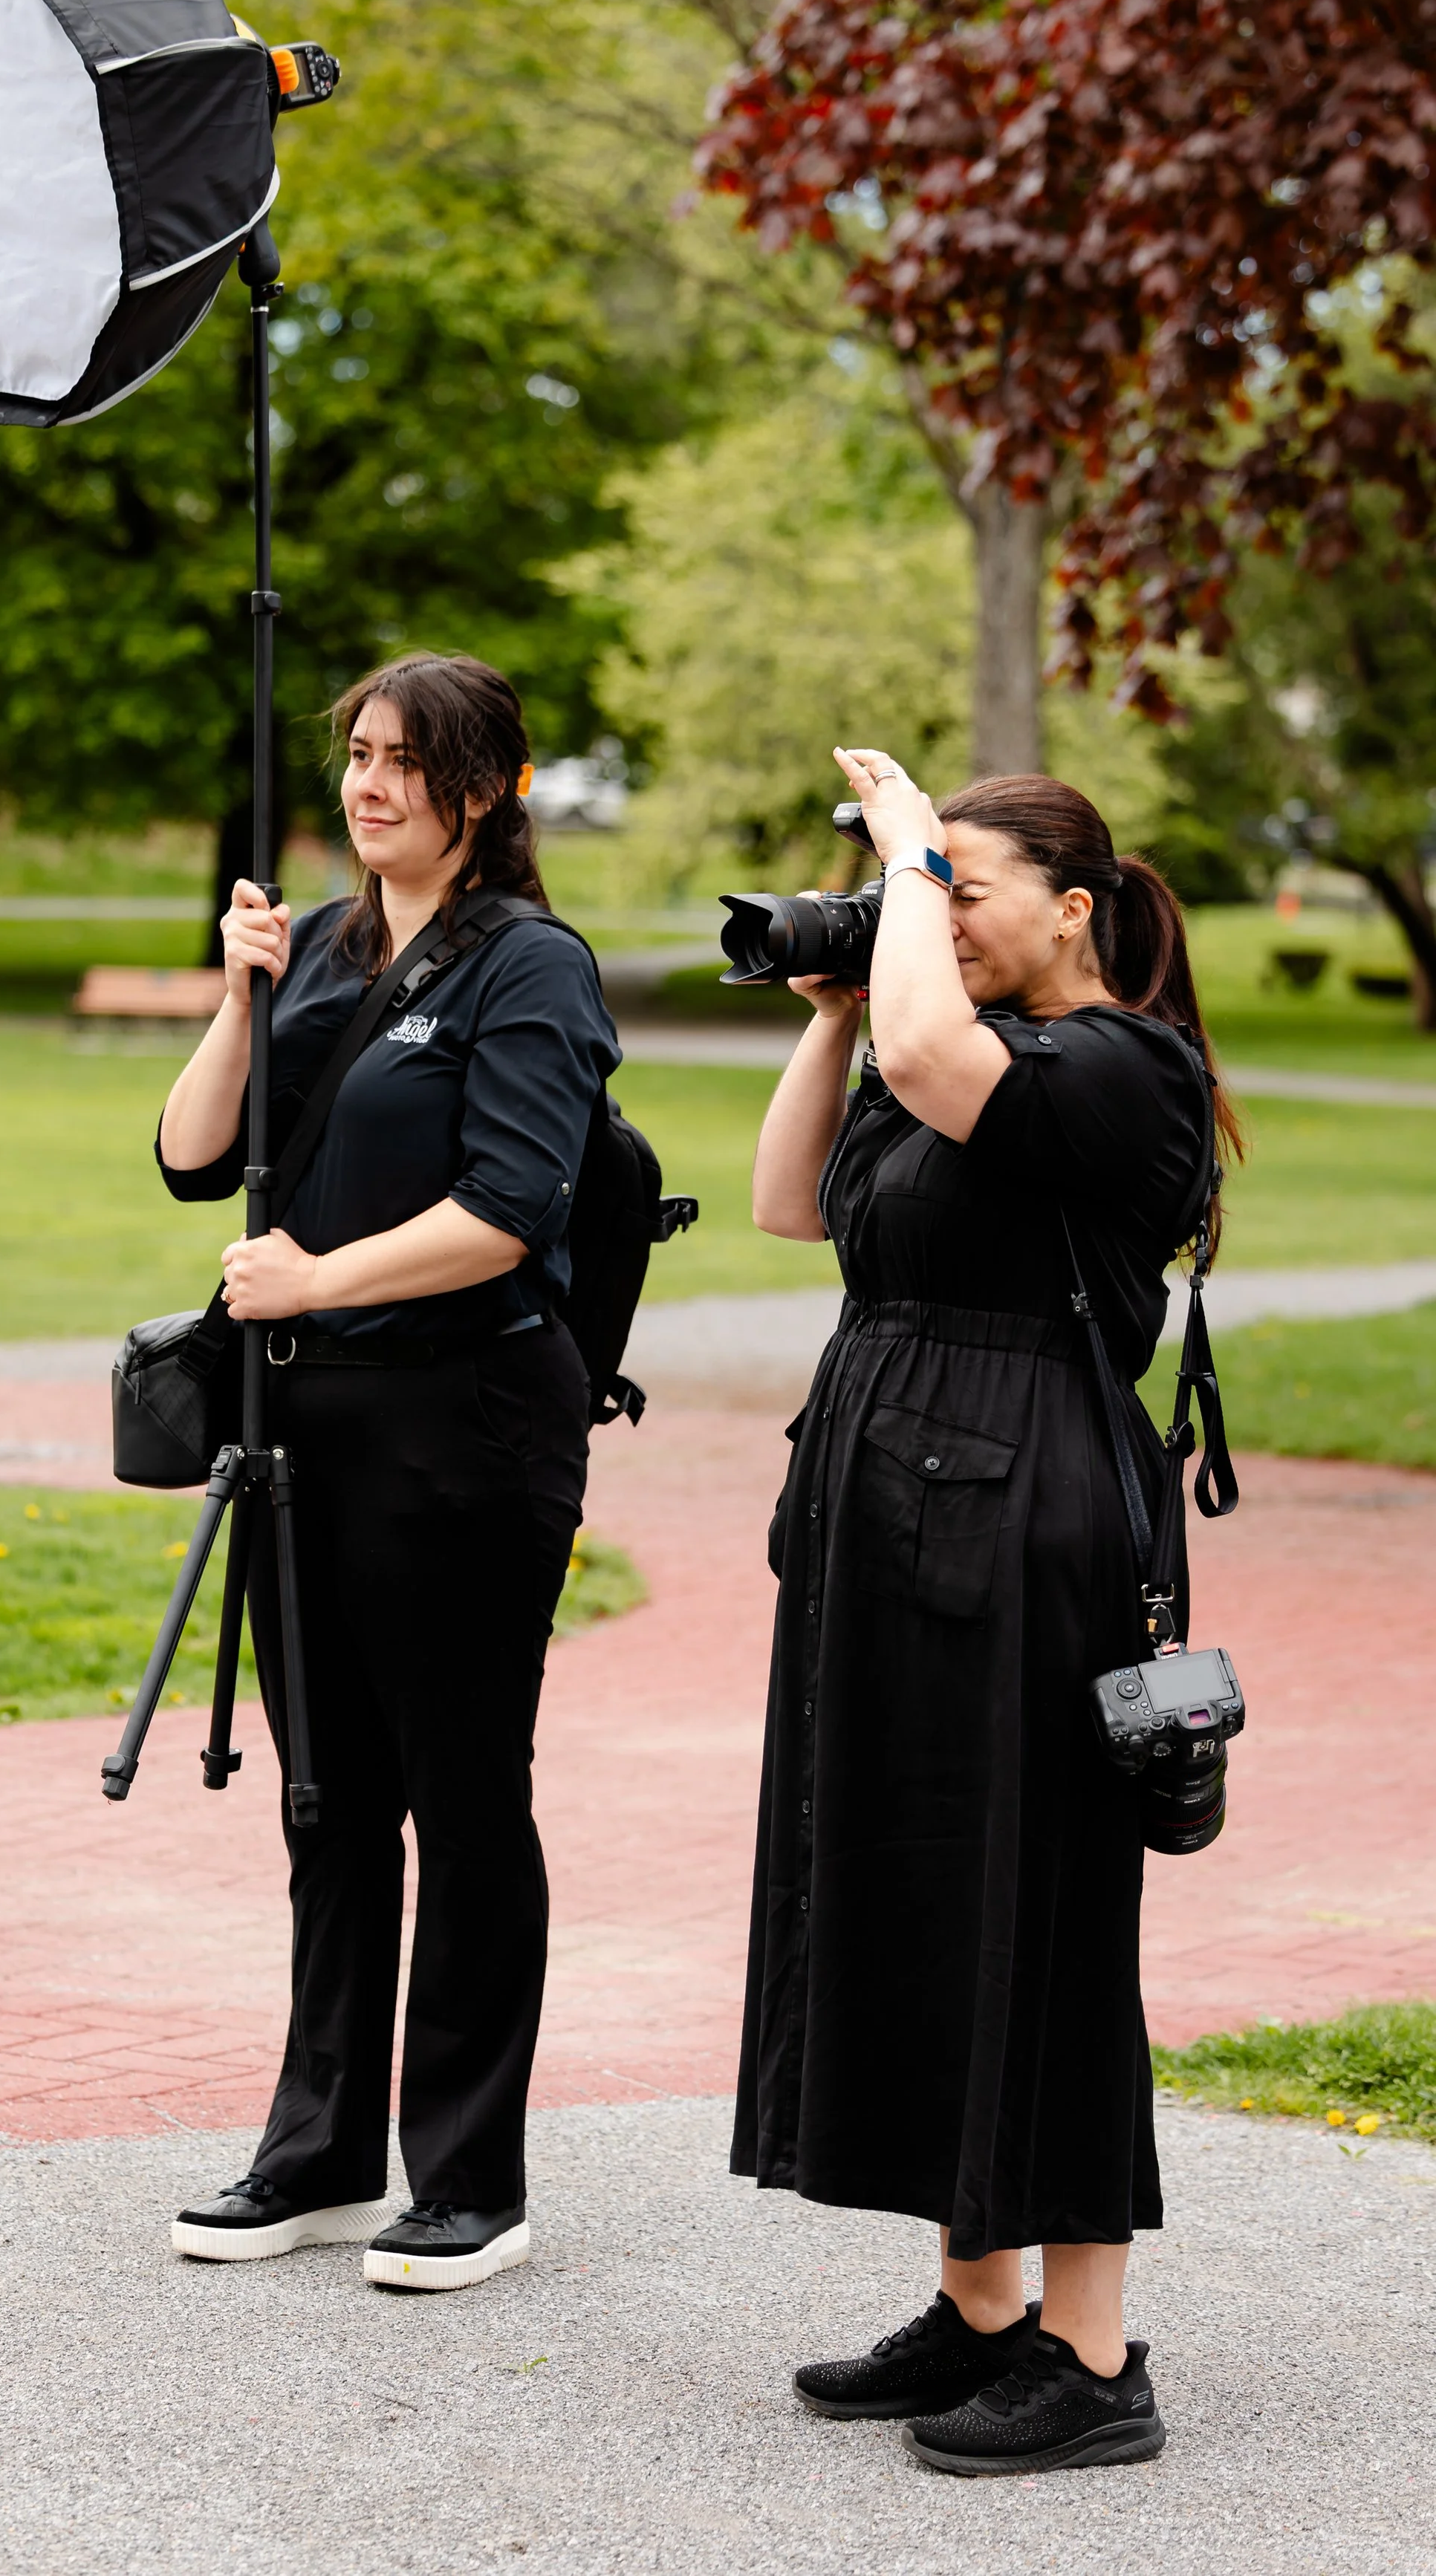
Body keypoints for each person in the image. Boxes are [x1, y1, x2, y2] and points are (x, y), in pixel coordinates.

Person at [737, 752, 1240, 2474]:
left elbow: (937, 1061)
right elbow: (787, 1202)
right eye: (926, 889)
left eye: (964, 886)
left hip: (1031, 1513)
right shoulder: (925, 1044)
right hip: (883, 1497)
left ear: (1070, 910)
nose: (934, 913)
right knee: (907, 1889)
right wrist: (828, 1006)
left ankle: (1093, 2362)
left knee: (1038, 1913)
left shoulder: (1122, 1068)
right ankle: (977, 2310)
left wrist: (894, 859)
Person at [153, 651, 617, 2292]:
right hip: (312, 1435)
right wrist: (239, 992)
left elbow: (508, 1209)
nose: (365, 786)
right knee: (328, 1798)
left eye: (401, 763)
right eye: (354, 754)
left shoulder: (531, 970)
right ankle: (321, 2148)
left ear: (481, 790)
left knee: (465, 1793)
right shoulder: (336, 951)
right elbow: (195, 1154)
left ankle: (466, 2174)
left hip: (471, 1429)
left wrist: (309, 1283)